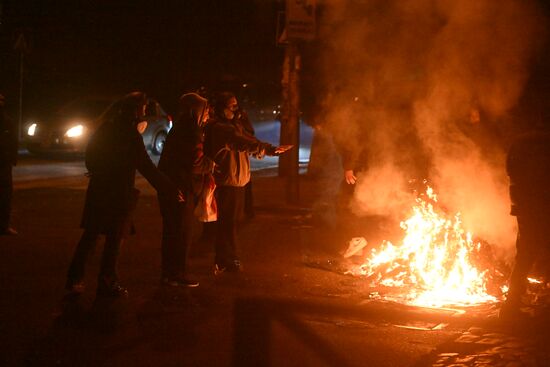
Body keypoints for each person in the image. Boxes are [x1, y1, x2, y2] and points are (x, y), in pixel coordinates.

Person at [65, 92, 182, 297]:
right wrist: (170, 189)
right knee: (114, 239)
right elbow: (146, 166)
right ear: (137, 110)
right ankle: (107, 281)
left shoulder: (106, 128)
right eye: (144, 109)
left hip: (100, 189)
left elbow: (91, 155)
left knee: (91, 236)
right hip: (119, 193)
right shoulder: (130, 134)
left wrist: (97, 171)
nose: (145, 113)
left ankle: (75, 279)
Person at [205, 92, 292, 274]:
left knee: (231, 222)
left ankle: (223, 260)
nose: (237, 110)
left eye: (237, 105)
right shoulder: (221, 128)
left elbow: (249, 139)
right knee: (228, 224)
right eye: (233, 106)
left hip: (237, 182)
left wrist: (267, 149)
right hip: (228, 183)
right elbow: (241, 142)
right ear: (222, 109)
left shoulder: (232, 125)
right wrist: (267, 149)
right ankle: (229, 260)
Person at [157, 93, 212, 287]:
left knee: (171, 232)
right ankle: (178, 273)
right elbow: (195, 162)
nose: (207, 115)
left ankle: (168, 273)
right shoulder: (192, 130)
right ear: (196, 110)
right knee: (182, 232)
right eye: (205, 110)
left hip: (172, 187)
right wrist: (210, 165)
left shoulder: (180, 127)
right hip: (183, 188)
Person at [500, 121, 550, 319]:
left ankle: (511, 305)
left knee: (525, 254)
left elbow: (510, 171)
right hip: (543, 203)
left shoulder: (520, 142)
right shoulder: (545, 144)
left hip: (524, 205)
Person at [0, 93, 18, 236]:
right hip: (4, 161)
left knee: (5, 195)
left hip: (4, 161)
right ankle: (3, 226)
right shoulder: (7, 120)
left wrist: (12, 157)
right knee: (5, 195)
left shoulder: (7, 120)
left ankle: (3, 225)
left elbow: (12, 140)